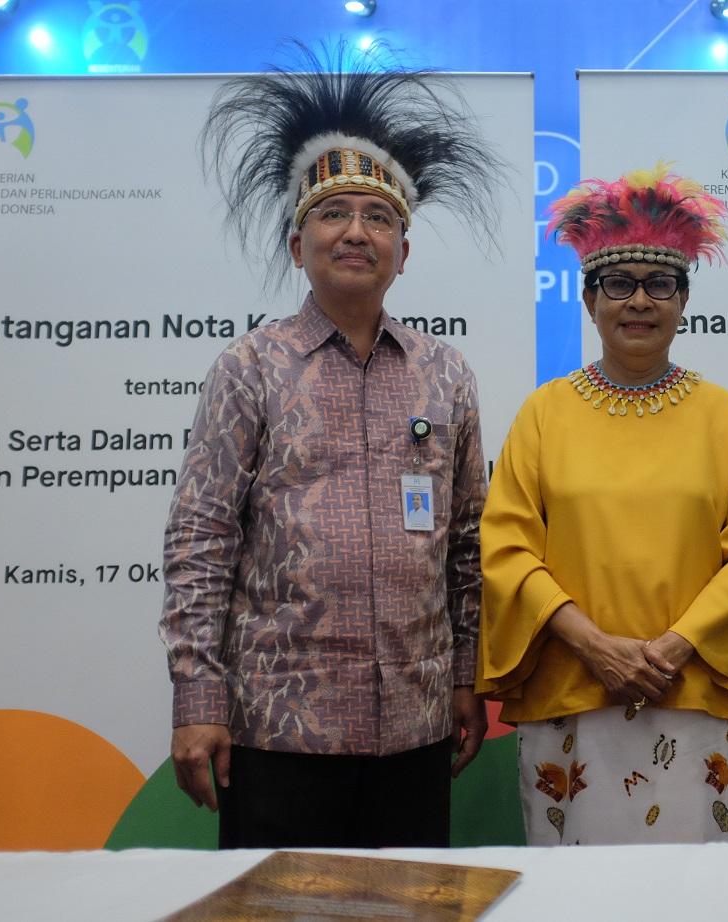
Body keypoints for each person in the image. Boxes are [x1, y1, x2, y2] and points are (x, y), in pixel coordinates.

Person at [159, 46, 500, 849]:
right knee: (279, 904)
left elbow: (467, 541)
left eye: (378, 217)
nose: (355, 232)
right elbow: (201, 538)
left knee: (410, 902)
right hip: (279, 729)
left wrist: (464, 678)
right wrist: (198, 699)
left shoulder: (445, 373)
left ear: (403, 252)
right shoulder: (250, 367)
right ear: (296, 244)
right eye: (333, 214)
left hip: (414, 727)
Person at [477, 165, 728, 846]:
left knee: (698, 889)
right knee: (579, 890)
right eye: (618, 284)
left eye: (659, 284)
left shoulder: (721, 415)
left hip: (694, 690)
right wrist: (595, 647)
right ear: (589, 301)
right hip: (571, 692)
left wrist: (671, 648)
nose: (639, 301)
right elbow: (507, 549)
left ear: (683, 300)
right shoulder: (544, 413)